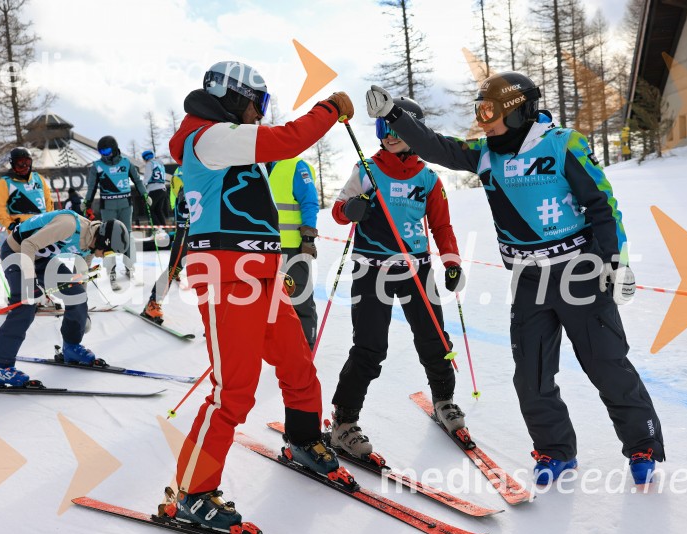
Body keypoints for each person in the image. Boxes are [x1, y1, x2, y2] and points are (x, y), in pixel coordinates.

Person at [366, 72, 665, 485]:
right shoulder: (486, 153)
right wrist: (395, 115)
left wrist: (616, 262)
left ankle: (642, 445)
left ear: (518, 108)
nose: (483, 120)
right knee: (531, 373)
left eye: (490, 111)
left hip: (579, 271)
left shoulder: (562, 144)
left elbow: (603, 203)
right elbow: (437, 147)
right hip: (528, 279)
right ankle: (555, 451)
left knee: (606, 363)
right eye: (478, 111)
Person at [164, 59, 354, 534]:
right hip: (228, 277)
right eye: (257, 103)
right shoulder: (207, 136)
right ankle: (193, 492)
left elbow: (269, 181)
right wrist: (329, 109)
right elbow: (287, 140)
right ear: (234, 96)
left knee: (297, 363)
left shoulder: (228, 141)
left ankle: (305, 439)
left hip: (261, 273)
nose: (259, 113)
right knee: (234, 393)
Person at [327, 97, 465, 459]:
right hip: (371, 268)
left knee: (435, 338)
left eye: (396, 128)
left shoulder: (428, 177)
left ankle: (444, 400)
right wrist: (351, 210)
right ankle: (343, 422)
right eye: (382, 128)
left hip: (415, 267)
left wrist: (451, 262)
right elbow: (339, 210)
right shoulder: (366, 170)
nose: (388, 135)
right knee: (370, 348)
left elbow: (441, 225)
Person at [0, 210, 129, 387]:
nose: (103, 256)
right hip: (18, 253)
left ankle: (71, 347)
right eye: (107, 253)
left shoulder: (91, 247)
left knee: (77, 295)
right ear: (102, 240)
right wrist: (31, 285)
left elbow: (81, 277)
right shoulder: (69, 226)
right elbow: (28, 245)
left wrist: (80, 311)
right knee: (26, 306)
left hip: (43, 260)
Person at [266, 157, 320, 349]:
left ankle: (306, 347)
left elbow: (310, 202)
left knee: (299, 299)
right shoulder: (255, 166)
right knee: (269, 301)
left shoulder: (295, 166)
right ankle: (281, 347)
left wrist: (308, 238)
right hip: (263, 247)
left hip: (292, 248)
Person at [82, 135, 148, 287]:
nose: (105, 155)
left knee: (128, 236)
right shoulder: (97, 166)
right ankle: (111, 272)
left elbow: (137, 180)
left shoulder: (125, 162)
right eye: (101, 152)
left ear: (114, 148)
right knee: (106, 238)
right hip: (108, 206)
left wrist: (144, 194)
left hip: (125, 205)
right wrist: (87, 202)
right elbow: (92, 187)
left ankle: (130, 268)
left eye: (107, 150)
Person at [140, 165, 189, 323]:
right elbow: (176, 196)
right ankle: (153, 303)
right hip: (189, 216)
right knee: (176, 264)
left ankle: (214, 316)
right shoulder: (186, 167)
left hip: (209, 220)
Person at [0, 147, 53, 232]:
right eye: (20, 163)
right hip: (21, 230)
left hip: (42, 227)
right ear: (13, 163)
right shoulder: (5, 182)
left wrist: (49, 218)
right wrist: (10, 225)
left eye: (27, 162)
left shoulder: (38, 178)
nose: (24, 166)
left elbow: (48, 200)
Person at [141, 150, 168, 226]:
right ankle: (163, 229)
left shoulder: (150, 164)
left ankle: (158, 229)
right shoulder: (160, 164)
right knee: (158, 210)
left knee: (149, 209)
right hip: (162, 188)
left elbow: (147, 177)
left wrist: (142, 185)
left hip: (154, 189)